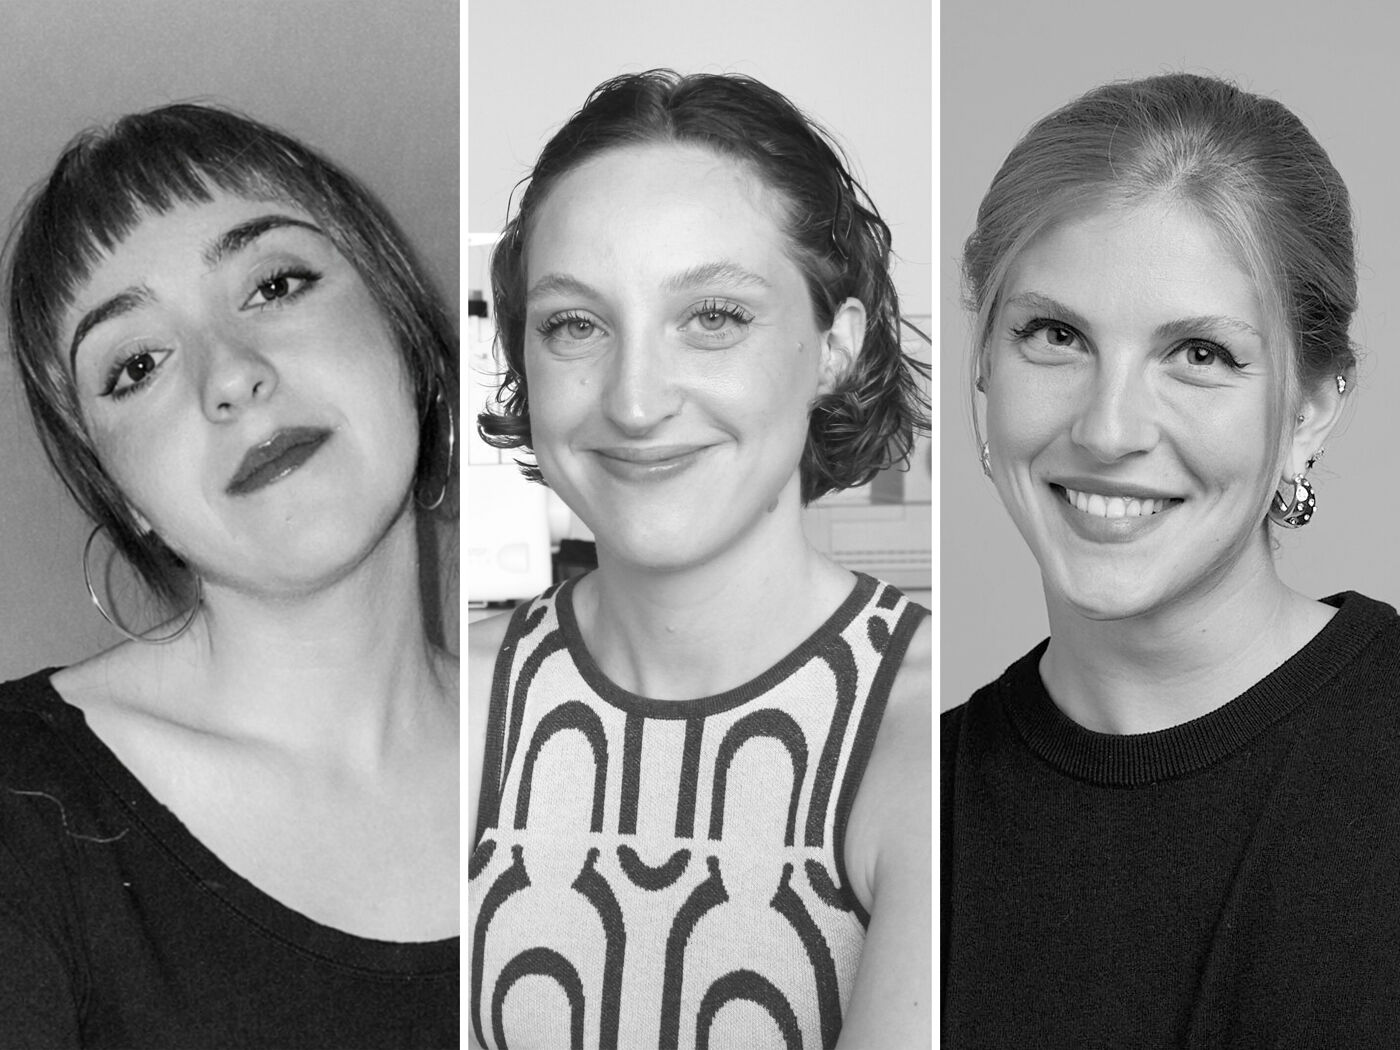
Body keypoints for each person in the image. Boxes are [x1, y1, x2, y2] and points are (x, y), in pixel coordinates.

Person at [468, 70, 931, 1049]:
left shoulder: (938, 738)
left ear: (834, 347)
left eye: (713, 317)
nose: (635, 401)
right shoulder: (451, 704)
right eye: (575, 324)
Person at [943, 72, 1400, 1047]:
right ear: (983, 364)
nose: (1108, 430)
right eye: (1055, 335)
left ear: (1309, 409)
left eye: (1198, 354)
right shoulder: (898, 806)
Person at [0, 104, 459, 1047]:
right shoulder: (20, 811)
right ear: (119, 491)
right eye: (136, 365)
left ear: (403, 331)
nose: (230, 376)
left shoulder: (586, 753)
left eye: (274, 285)